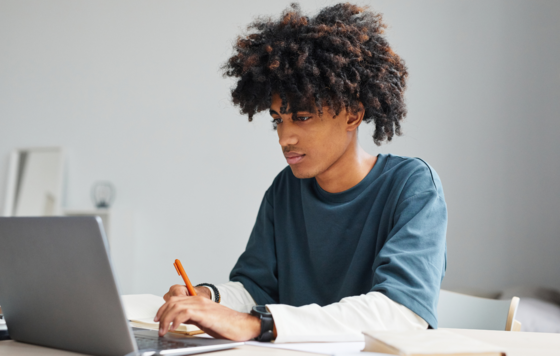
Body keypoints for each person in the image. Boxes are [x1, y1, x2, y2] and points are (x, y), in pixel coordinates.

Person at [155, 3, 447, 342]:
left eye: (302, 117)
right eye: (278, 119)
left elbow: (401, 311)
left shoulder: (411, 185)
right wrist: (207, 298)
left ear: (352, 115)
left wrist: (258, 325)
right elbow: (257, 287)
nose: (284, 137)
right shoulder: (286, 189)